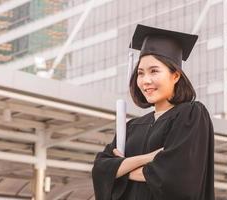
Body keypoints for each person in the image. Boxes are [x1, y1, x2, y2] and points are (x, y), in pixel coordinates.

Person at [91, 24, 215, 200]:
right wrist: (148, 158)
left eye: (154, 71)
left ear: (176, 75)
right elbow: (100, 169)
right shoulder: (132, 127)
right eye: (140, 73)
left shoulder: (191, 114)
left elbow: (176, 177)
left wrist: (120, 169)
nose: (145, 80)